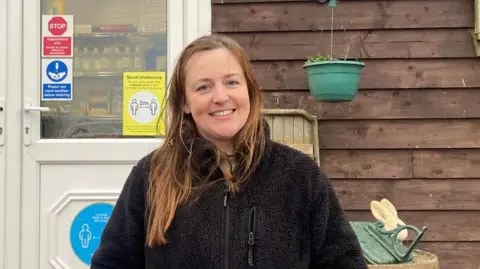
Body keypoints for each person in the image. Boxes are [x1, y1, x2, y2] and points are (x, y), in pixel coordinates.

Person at [90, 34, 368, 269]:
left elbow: (344, 263)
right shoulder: (151, 175)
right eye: (203, 87)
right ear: (184, 102)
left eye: (232, 82)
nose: (220, 97)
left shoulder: (300, 176)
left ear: (249, 90)